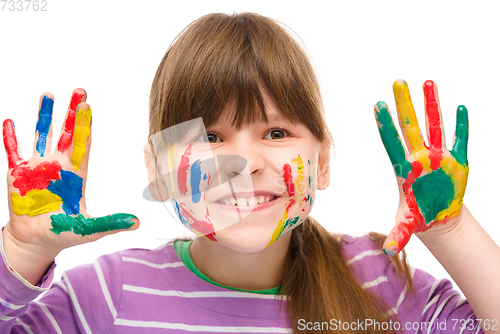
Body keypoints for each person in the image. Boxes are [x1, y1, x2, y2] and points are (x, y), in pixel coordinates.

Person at [1, 12, 499, 334]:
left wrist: (451, 230)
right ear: (157, 168)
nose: (246, 163)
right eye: (210, 137)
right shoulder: (108, 294)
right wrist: (25, 251)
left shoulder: (383, 285)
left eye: (277, 134)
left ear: (323, 164)